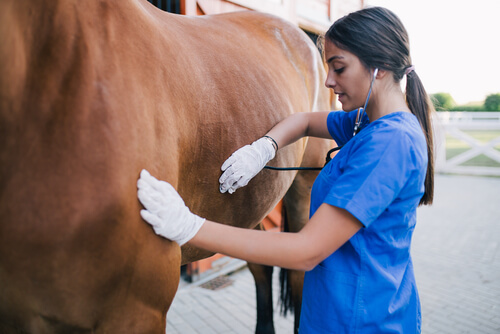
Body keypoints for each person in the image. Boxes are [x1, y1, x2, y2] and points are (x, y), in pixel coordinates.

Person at [137, 6, 434, 333]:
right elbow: (304, 120)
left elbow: (305, 251)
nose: (328, 81)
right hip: (337, 310)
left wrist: (189, 226)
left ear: (378, 67)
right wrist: (263, 148)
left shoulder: (390, 143)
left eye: (339, 68)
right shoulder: (366, 122)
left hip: (361, 320)